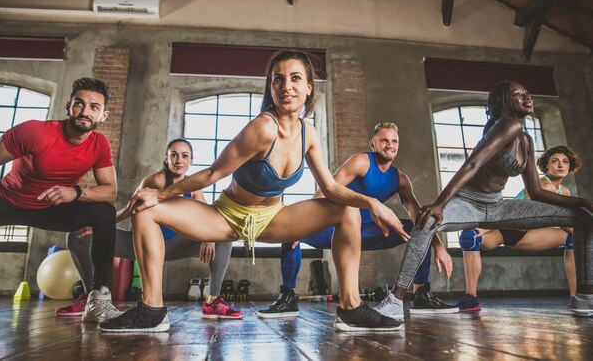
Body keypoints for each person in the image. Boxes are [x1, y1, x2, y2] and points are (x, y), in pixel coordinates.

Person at [99, 50, 411, 333]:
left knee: (348, 209)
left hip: (273, 218)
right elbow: (211, 174)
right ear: (271, 87)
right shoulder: (262, 128)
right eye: (279, 79)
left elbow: (330, 188)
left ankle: (351, 307)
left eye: (295, 78)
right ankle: (152, 309)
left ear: (308, 88)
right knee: (147, 209)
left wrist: (372, 203)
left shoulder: (309, 133)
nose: (286, 86)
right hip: (227, 216)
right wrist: (160, 195)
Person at [374, 81, 593, 321]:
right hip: (468, 203)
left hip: (498, 206)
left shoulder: (526, 140)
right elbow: (472, 164)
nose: (526, 96)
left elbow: (536, 191)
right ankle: (395, 300)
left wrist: (582, 201)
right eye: (517, 94)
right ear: (504, 102)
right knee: (426, 223)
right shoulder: (506, 125)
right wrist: (440, 205)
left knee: (583, 217)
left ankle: (583, 296)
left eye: (527, 93)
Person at [256, 122, 455, 319]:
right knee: (289, 234)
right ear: (372, 144)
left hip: (371, 231)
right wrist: (301, 225)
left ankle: (420, 293)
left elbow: (417, 214)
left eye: (394, 141)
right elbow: (327, 189)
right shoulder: (361, 162)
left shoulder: (400, 179)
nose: (390, 145)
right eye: (384, 140)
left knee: (418, 227)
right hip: (338, 228)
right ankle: (287, 297)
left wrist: (437, 245)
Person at [0, 78, 121, 323]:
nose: (85, 111)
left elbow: (110, 191)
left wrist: (77, 192)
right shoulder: (35, 132)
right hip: (6, 200)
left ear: (103, 115)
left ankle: (99, 298)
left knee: (104, 211)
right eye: (79, 104)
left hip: (50, 210)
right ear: (69, 106)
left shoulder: (99, 145)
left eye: (94, 107)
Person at [56, 139, 242, 319]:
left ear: (191, 160)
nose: (179, 160)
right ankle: (91, 298)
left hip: (174, 244)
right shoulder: (156, 180)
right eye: (174, 155)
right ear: (166, 158)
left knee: (225, 237)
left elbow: (206, 218)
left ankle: (213, 301)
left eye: (184, 156)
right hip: (143, 245)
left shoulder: (193, 186)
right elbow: (129, 209)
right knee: (76, 237)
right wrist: (101, 227)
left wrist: (209, 238)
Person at [457, 145, 581, 311]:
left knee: (574, 238)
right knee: (469, 236)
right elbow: (522, 215)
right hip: (505, 229)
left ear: (570, 166)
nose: (561, 165)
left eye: (565, 162)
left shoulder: (564, 191)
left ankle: (576, 297)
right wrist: (486, 228)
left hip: (529, 234)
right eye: (555, 161)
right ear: (546, 166)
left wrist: (583, 236)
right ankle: (470, 297)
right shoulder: (544, 185)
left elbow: (564, 224)